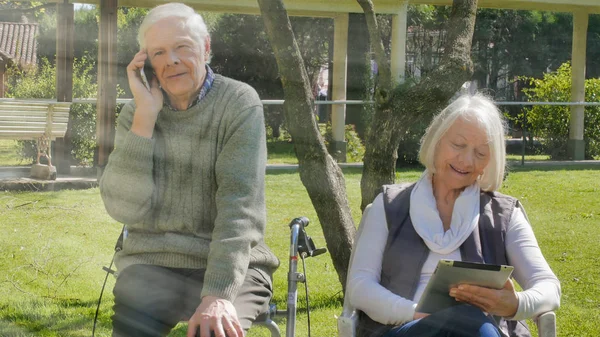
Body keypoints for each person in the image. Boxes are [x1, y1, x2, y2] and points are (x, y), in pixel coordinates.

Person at [99, 3, 279, 337]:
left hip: (232, 264)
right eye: (159, 52)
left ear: (206, 47)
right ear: (147, 61)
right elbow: (122, 208)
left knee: (216, 331)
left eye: (183, 47)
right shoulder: (136, 112)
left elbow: (239, 207)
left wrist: (218, 294)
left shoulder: (238, 103)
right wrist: (145, 117)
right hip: (153, 262)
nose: (172, 61)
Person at [346, 94, 561, 337]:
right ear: (436, 141)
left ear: (490, 161)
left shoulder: (504, 215)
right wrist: (416, 313)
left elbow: (549, 287)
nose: (467, 160)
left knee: (471, 320)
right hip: (406, 328)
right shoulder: (389, 206)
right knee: (467, 317)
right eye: (458, 145)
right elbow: (360, 287)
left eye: (480, 153)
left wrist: (515, 305)